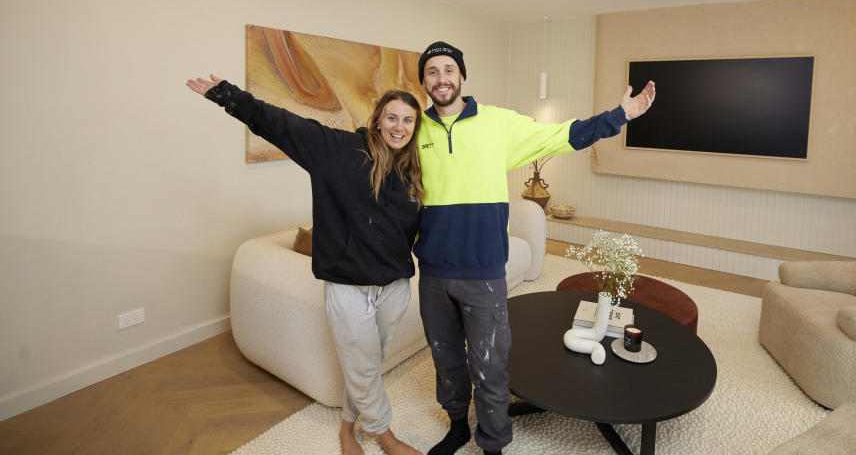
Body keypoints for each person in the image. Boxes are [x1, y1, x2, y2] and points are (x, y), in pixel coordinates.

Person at [413, 42, 655, 455]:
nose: (441, 78)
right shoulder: (414, 129)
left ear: (462, 77)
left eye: (448, 69)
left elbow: (561, 136)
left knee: (489, 364)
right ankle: (457, 426)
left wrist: (619, 117)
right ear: (423, 82)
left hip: (483, 270)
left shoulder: (498, 124)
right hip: (433, 271)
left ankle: (493, 445)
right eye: (432, 71)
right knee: (446, 358)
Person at [186, 74, 424, 455]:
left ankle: (347, 427)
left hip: (394, 287)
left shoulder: (413, 171)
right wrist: (227, 95)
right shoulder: (339, 150)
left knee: (367, 364)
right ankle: (384, 434)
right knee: (364, 367)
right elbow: (281, 124)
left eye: (408, 120)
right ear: (378, 119)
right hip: (348, 287)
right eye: (392, 118)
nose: (399, 127)